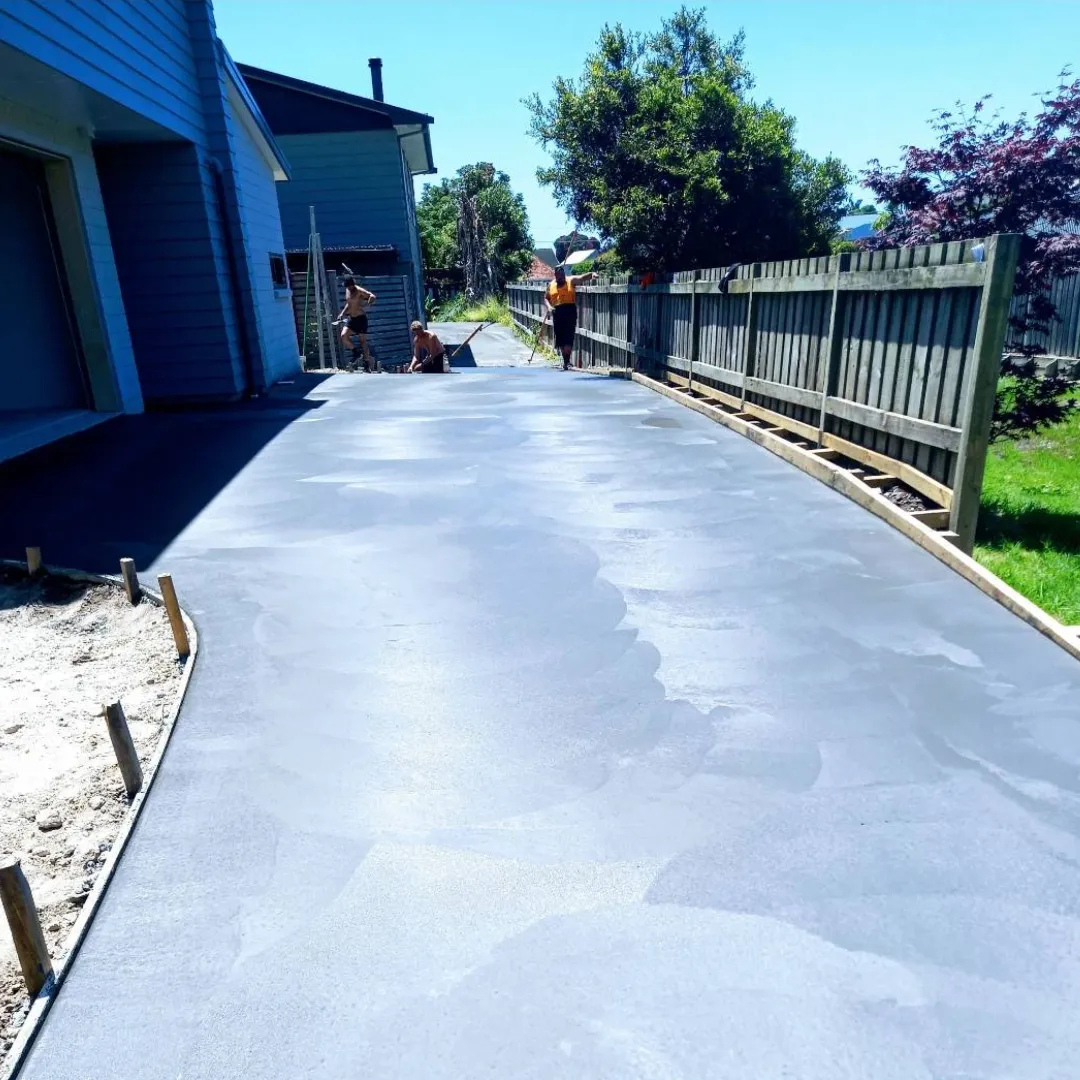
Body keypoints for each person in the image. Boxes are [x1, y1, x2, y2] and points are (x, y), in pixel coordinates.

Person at [544, 264, 596, 370]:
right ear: (555, 276)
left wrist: (591, 274)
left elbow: (581, 278)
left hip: (569, 311)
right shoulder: (551, 285)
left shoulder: (570, 281)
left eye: (562, 276)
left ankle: (567, 361)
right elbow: (546, 298)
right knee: (561, 339)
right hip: (557, 312)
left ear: (564, 275)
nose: (561, 278)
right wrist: (549, 307)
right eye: (559, 277)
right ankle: (566, 361)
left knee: (568, 337)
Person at [338, 277, 377, 371]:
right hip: (351, 318)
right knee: (343, 335)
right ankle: (355, 352)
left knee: (363, 341)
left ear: (352, 285)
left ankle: (367, 363)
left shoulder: (359, 291)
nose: (347, 287)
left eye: (348, 286)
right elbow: (349, 303)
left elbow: (372, 296)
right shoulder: (348, 291)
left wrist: (367, 305)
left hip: (361, 319)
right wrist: (342, 313)